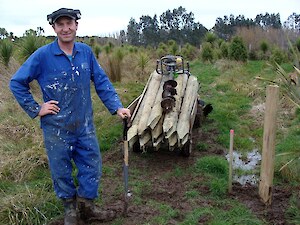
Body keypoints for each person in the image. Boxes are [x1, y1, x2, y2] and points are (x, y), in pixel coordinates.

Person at [9, 8, 131, 225]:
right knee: (61, 168)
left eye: (69, 23)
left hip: (84, 125)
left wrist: (117, 107)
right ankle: (70, 212)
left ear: (76, 25)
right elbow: (17, 82)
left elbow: (101, 81)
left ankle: (87, 207)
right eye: (60, 24)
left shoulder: (85, 53)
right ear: (54, 28)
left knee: (91, 165)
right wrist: (36, 108)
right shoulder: (43, 56)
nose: (65, 28)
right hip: (56, 127)